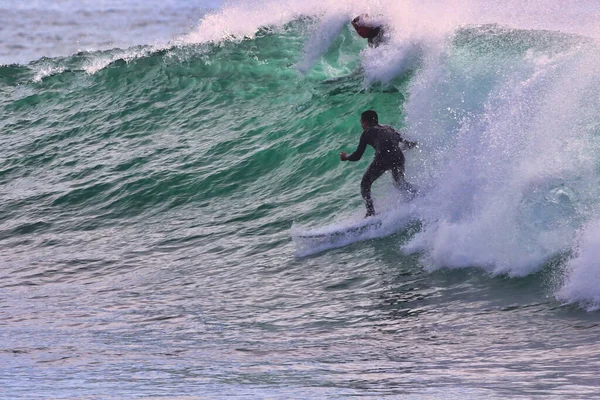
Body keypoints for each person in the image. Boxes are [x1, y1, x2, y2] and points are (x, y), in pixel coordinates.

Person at [340, 110, 417, 217]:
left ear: (365, 122)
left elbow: (357, 156)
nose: (361, 125)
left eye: (361, 122)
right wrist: (402, 149)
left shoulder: (366, 132)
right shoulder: (389, 128)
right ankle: (417, 194)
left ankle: (370, 213)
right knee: (399, 183)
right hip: (399, 157)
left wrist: (346, 157)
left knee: (365, 183)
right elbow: (410, 142)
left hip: (383, 158)